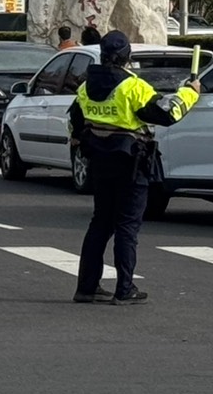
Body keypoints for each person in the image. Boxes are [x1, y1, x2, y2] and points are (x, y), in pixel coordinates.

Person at [68, 31, 199, 305]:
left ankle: (86, 287)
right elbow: (167, 113)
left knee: (100, 223)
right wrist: (190, 92)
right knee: (127, 226)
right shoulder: (133, 86)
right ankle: (124, 289)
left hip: (99, 162)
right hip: (131, 163)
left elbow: (75, 124)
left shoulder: (85, 87)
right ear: (127, 56)